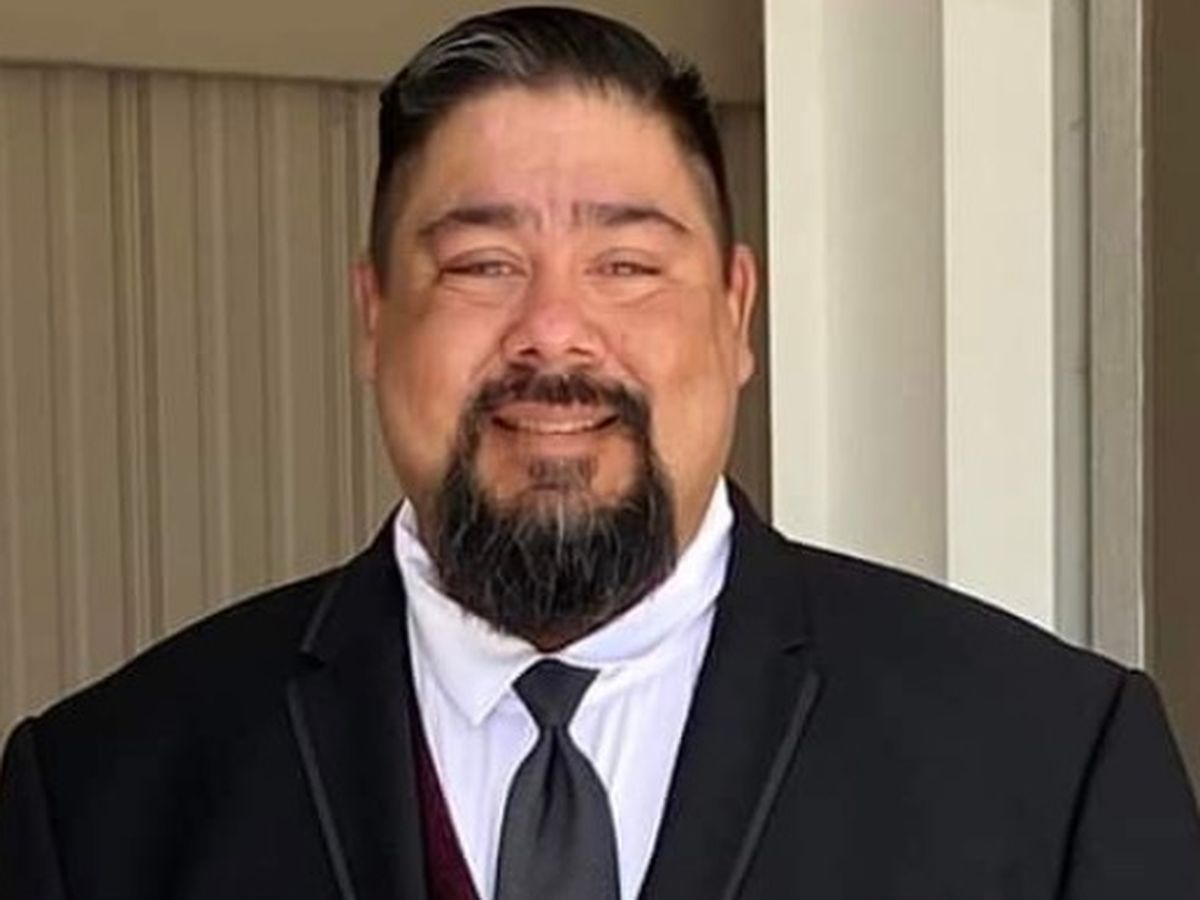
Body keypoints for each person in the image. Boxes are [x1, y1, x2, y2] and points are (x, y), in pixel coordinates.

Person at [2, 6, 1198, 898]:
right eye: (482, 265)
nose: (554, 332)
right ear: (374, 316)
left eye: (626, 265)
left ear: (736, 313)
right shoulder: (104, 798)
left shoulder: (1050, 769)